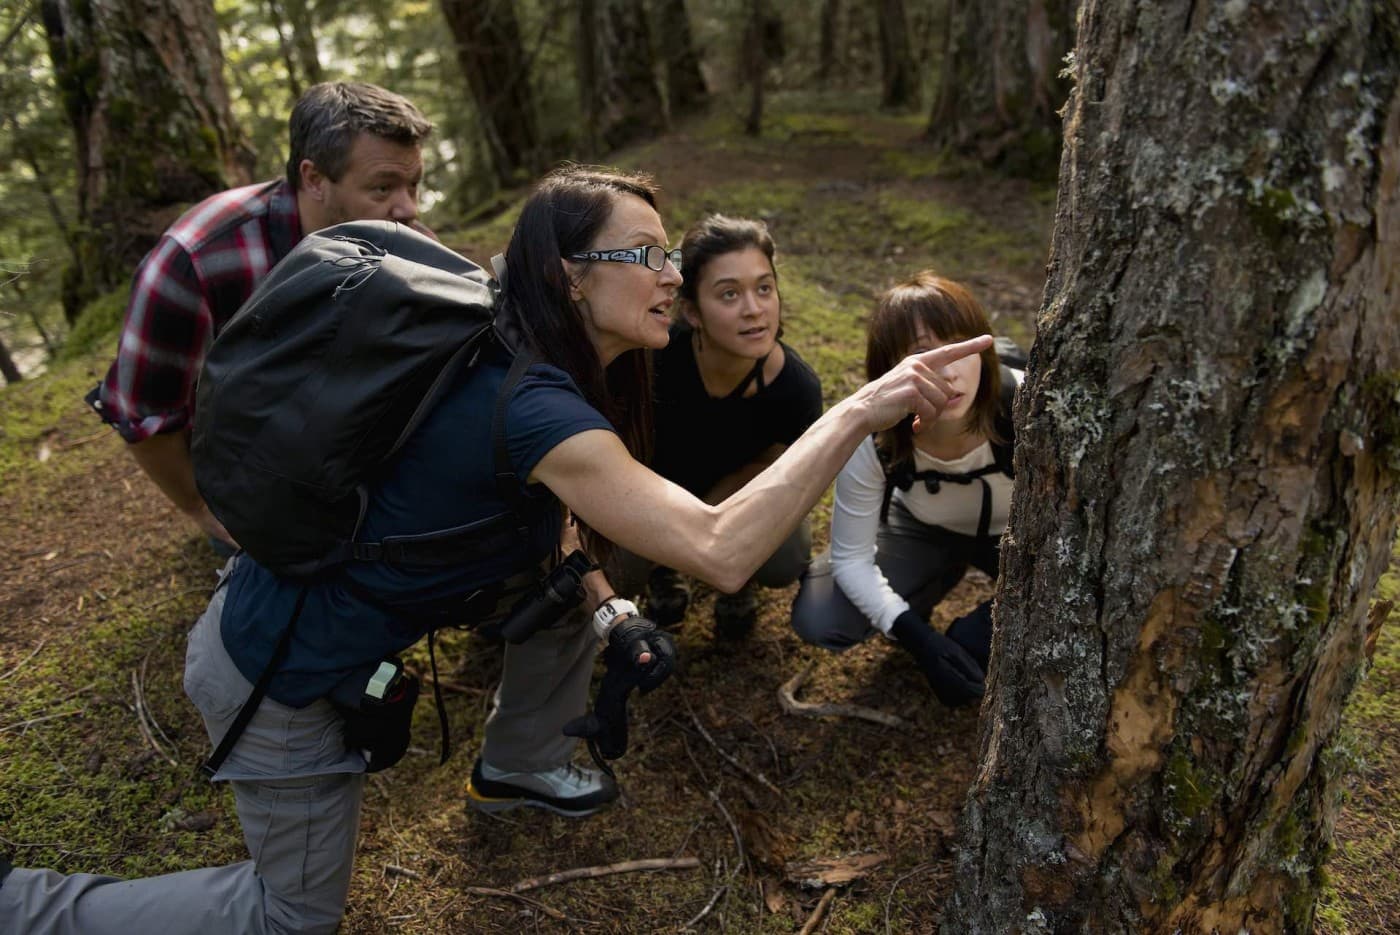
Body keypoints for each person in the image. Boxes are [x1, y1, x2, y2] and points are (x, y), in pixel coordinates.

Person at [0, 166, 990, 934]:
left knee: (566, 586)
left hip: (308, 640)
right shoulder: (533, 405)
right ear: (570, 275)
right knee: (290, 913)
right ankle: (28, 905)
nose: (672, 276)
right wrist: (868, 403)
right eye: (644, 255)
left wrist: (614, 610)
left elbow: (557, 532)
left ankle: (519, 763)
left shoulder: (527, 356)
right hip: (273, 674)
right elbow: (720, 546)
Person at [87, 81, 433, 552]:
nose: (409, 207)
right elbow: (143, 411)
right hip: (249, 464)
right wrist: (198, 506)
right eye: (383, 187)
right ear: (313, 179)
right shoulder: (196, 261)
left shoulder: (399, 231)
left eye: (413, 183)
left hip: (356, 435)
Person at [789, 273, 1020, 707]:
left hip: (1021, 537)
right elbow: (852, 559)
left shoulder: (1027, 404)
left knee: (976, 644)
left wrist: (991, 627)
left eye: (959, 346)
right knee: (822, 615)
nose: (948, 371)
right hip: (922, 526)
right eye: (922, 354)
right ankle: (932, 580)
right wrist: (918, 637)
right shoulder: (872, 431)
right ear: (889, 369)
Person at [620, 214, 823, 639]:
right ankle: (662, 572)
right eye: (729, 294)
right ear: (692, 311)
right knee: (618, 565)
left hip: (729, 501)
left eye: (764, 288)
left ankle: (735, 579)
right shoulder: (650, 362)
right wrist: (667, 539)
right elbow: (619, 460)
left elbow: (773, 473)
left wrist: (707, 523)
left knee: (786, 556)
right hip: (649, 497)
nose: (753, 309)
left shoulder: (796, 389)